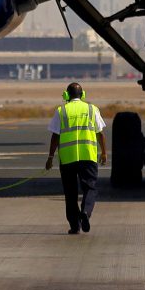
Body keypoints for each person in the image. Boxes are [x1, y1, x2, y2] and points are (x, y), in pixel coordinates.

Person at [44, 82, 105, 234]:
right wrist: (104, 152)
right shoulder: (92, 109)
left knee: (70, 193)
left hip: (68, 158)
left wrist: (50, 157)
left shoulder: (61, 111)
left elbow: (55, 136)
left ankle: (74, 226)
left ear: (66, 95)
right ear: (82, 95)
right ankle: (85, 212)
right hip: (88, 155)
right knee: (89, 187)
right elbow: (100, 132)